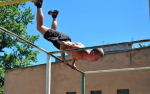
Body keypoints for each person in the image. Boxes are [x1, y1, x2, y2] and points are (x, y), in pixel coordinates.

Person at [32, 0, 104, 69]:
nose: (96, 60)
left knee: (52, 32)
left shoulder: (86, 57)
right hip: (62, 42)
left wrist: (73, 63)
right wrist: (63, 58)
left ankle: (54, 16)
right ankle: (39, 4)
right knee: (40, 27)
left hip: (62, 44)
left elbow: (74, 54)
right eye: (97, 57)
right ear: (93, 52)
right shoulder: (81, 49)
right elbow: (63, 44)